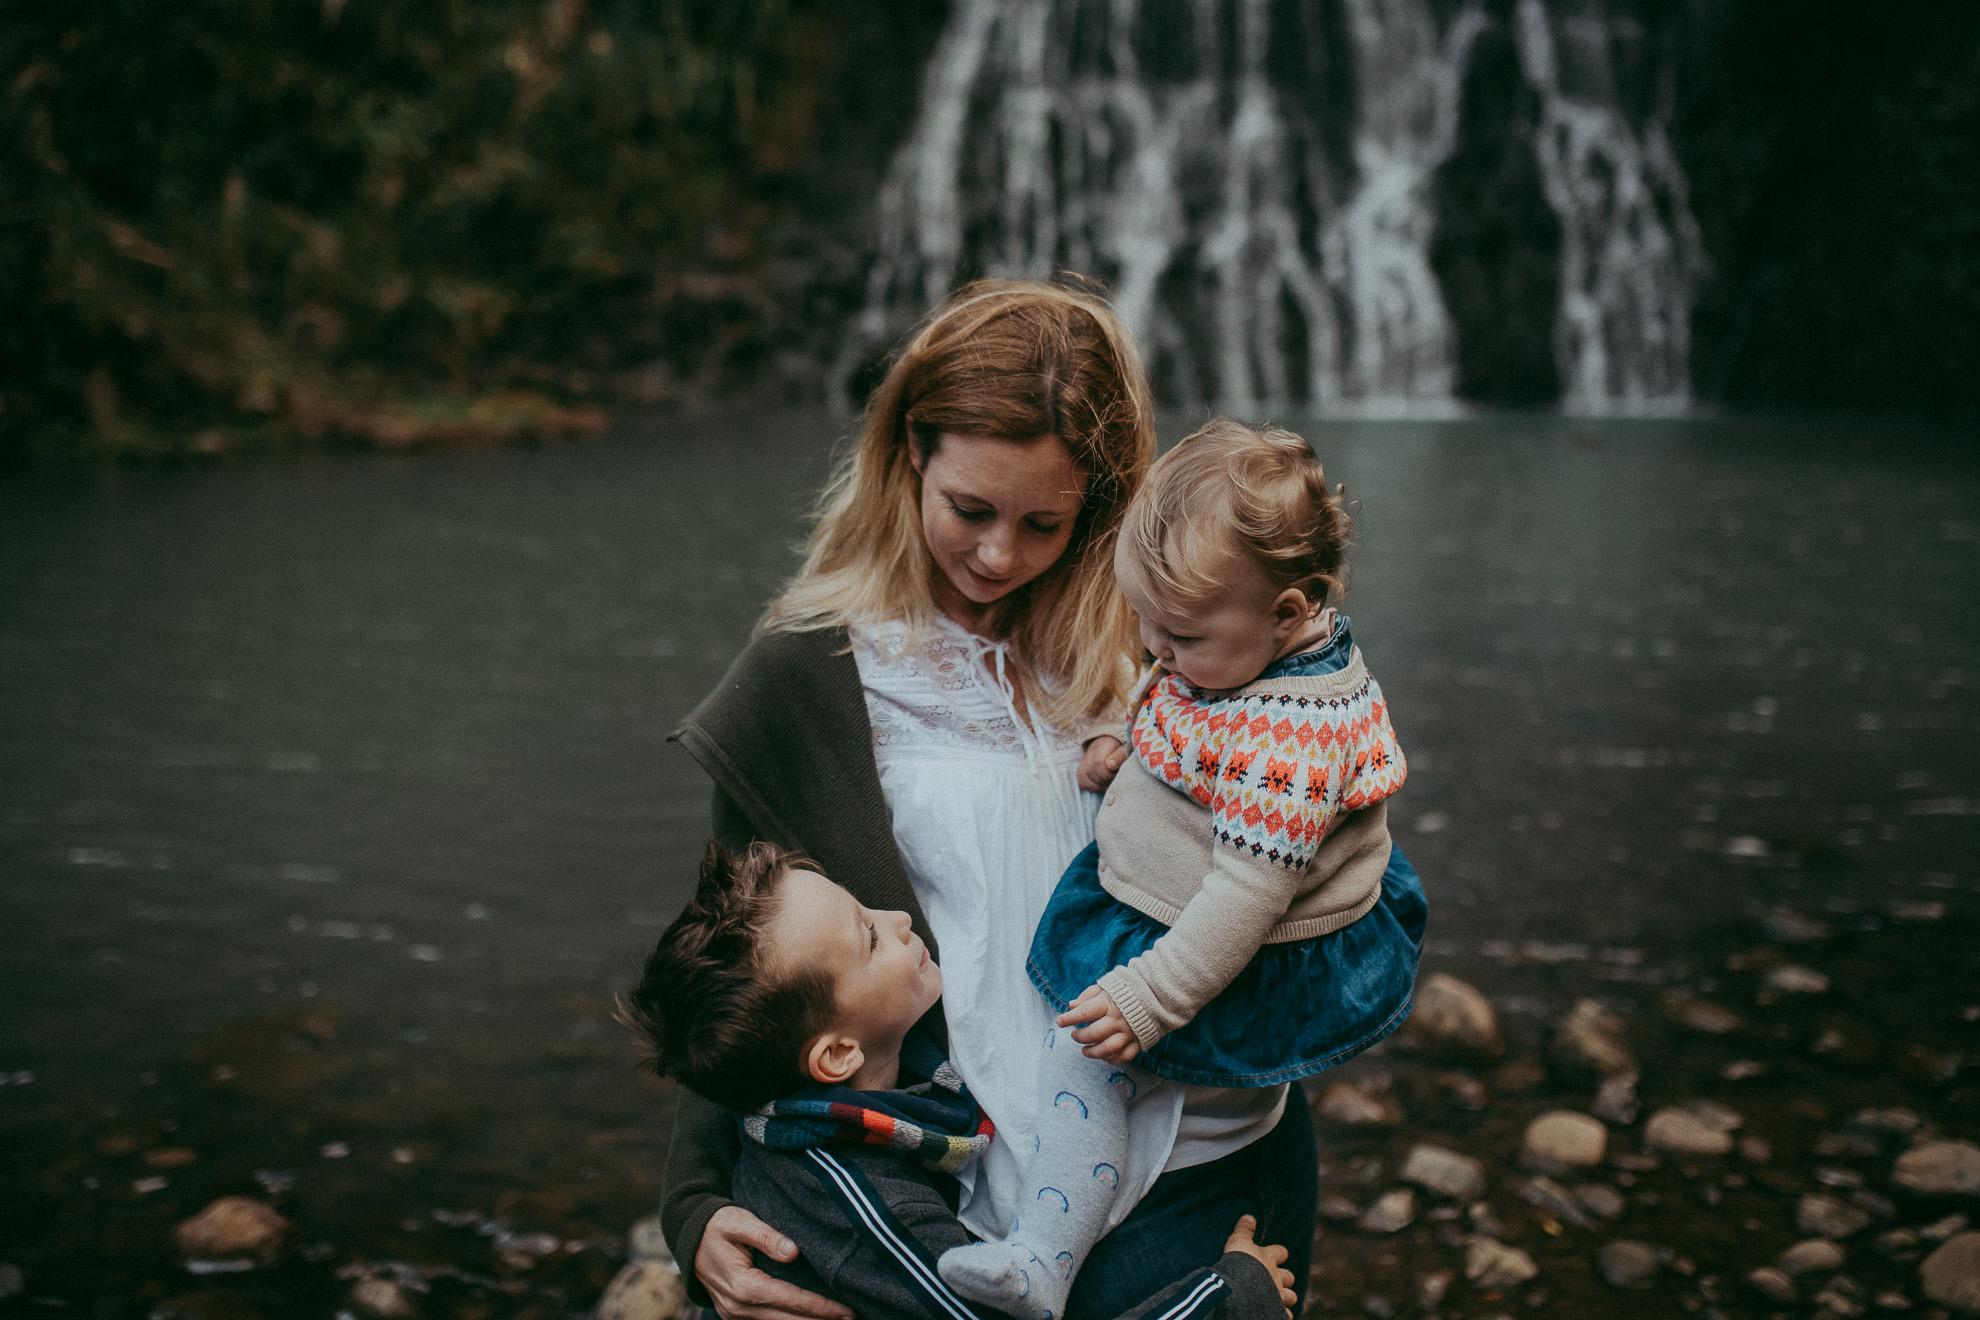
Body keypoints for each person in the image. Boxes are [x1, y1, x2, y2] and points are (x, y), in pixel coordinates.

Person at [663, 281, 1321, 1320]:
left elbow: (1270, 879)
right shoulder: (808, 674)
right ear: (909, 453)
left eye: (1044, 523)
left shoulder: (1161, 657)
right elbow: (744, 966)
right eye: (970, 509)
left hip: (1195, 1164)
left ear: (1100, 508)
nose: (999, 555)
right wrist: (695, 1205)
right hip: (944, 1186)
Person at [939, 420, 1428, 1319]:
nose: (1158, 650)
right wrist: (1127, 737)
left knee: (1085, 1063)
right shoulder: (1234, 647)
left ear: (1290, 610)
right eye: (1145, 623)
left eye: (1180, 635)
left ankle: (1042, 1259)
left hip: (1227, 952)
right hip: (1206, 910)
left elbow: (1248, 892)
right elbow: (1178, 691)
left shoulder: (1292, 740)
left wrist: (1148, 999)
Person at [619, 839, 1299, 1320]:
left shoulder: (848, 1107)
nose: (900, 917)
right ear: (835, 1057)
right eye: (869, 937)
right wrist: (1228, 1296)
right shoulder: (855, 1200)